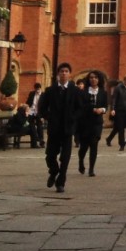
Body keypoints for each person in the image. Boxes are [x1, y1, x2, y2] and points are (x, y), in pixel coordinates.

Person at [38, 63, 82, 192]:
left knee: (65, 157)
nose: (64, 73)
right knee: (50, 156)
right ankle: (54, 171)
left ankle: (61, 181)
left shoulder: (75, 91)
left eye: (66, 71)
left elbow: (80, 108)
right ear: (58, 73)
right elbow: (42, 108)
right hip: (54, 128)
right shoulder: (50, 90)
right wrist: (49, 117)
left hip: (67, 128)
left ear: (70, 74)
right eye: (62, 71)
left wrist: (73, 117)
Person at [77, 71, 108, 176]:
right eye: (91, 77)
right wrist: (93, 109)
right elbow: (81, 106)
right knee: (84, 147)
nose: (93, 79)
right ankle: (81, 161)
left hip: (97, 123)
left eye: (95, 77)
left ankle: (91, 169)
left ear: (99, 79)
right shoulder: (83, 92)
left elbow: (105, 106)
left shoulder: (103, 92)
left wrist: (102, 110)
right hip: (85, 123)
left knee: (94, 144)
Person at [25, 81, 45, 147]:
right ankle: (34, 142)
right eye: (36, 89)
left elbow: (45, 106)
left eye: (38, 89)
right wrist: (27, 109)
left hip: (39, 113)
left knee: (40, 127)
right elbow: (28, 102)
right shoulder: (32, 93)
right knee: (32, 126)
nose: (37, 91)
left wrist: (43, 116)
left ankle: (41, 141)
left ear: (40, 88)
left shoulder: (43, 95)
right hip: (31, 112)